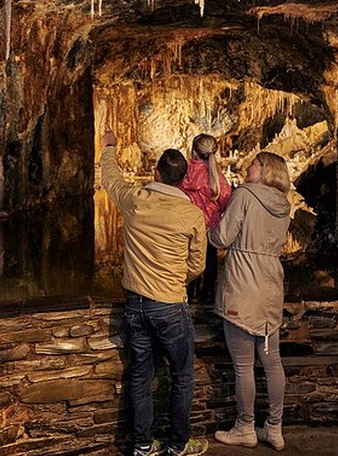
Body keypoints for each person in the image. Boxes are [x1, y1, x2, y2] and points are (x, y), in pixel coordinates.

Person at [98, 125, 209, 456]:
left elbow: (111, 179)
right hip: (171, 304)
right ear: (182, 180)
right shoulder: (191, 214)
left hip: (136, 305)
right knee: (182, 377)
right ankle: (177, 444)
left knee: (140, 377)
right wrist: (175, 279)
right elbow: (198, 265)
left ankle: (143, 445)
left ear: (156, 172)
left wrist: (109, 147)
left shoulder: (136, 200)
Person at [209, 152, 292, 452]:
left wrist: (206, 227)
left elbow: (222, 238)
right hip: (271, 288)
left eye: (254, 163)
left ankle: (245, 427)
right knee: (272, 362)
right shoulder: (283, 204)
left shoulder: (244, 195)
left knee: (244, 365)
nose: (247, 166)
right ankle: (275, 428)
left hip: (244, 286)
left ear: (266, 169)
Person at [179, 134, 232, 304]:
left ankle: (188, 293)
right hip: (208, 228)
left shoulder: (183, 174)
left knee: (188, 259)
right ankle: (208, 294)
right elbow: (226, 202)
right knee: (210, 259)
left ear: (193, 152)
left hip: (186, 226)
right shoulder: (217, 179)